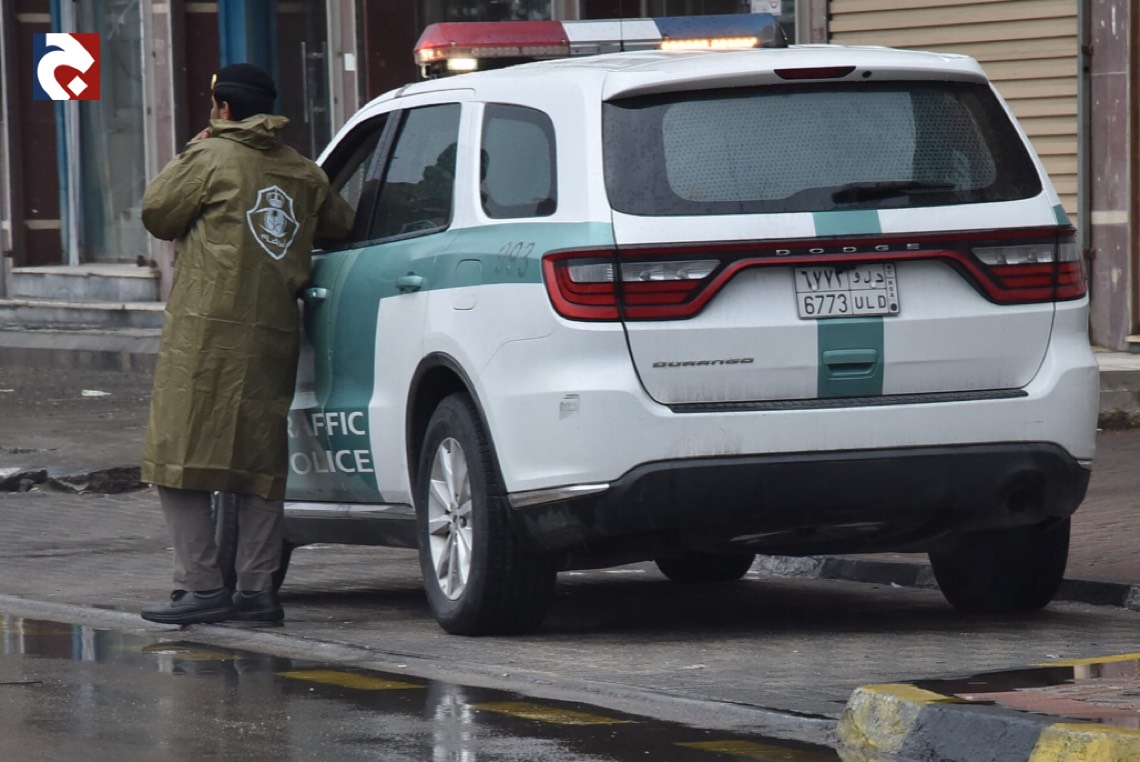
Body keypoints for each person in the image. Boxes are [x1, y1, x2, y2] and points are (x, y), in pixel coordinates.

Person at [139, 63, 354, 626]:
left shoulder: (210, 157)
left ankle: (202, 586)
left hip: (204, 335)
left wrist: (191, 151)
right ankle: (258, 592)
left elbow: (157, 213)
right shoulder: (302, 170)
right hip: (273, 334)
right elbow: (340, 224)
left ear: (224, 108)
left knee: (176, 460)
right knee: (259, 465)